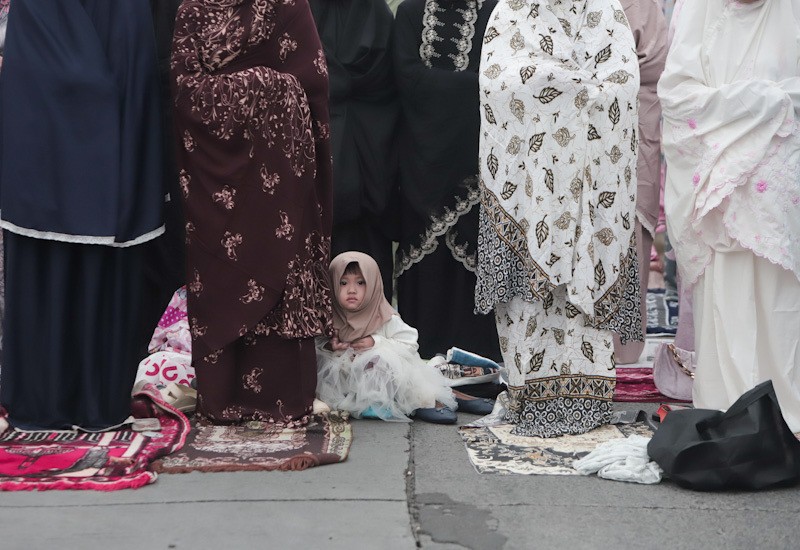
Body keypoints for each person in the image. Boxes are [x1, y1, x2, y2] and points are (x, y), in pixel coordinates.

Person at [475, 0, 642, 437]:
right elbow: (496, 81)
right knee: (530, 301)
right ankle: (529, 396)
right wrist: (566, 83)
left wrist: (561, 87)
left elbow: (624, 83)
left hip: (592, 187)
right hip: (530, 186)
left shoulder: (607, 12)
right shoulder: (510, 11)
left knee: (581, 304)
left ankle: (587, 404)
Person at [0, 0, 166, 429]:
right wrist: (91, 95)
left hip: (114, 163)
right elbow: (33, 66)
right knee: (46, 272)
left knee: (104, 276)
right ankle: (42, 403)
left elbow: (140, 72)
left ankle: (99, 402)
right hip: (46, 157)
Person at [171, 0, 334, 425]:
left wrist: (262, 87)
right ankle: (221, 399)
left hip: (279, 168)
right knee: (221, 274)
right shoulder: (193, 9)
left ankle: (282, 401)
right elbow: (182, 87)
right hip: (213, 173)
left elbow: (312, 82)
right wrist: (256, 84)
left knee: (279, 264)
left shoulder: (286, 5)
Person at [659, 0, 800, 432]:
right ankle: (730, 413)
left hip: (779, 186)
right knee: (727, 300)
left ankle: (787, 419)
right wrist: (757, 102)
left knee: (781, 304)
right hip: (716, 190)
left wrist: (768, 108)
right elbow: (678, 100)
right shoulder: (697, 10)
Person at [393, 0, 501, 361]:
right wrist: (475, 85)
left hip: (480, 162)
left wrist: (451, 84)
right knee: (428, 268)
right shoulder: (411, 12)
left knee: (474, 266)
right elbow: (406, 77)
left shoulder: (497, 11)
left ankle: (479, 374)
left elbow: (503, 79)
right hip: (421, 162)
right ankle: (423, 373)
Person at [309, 0, 398, 298]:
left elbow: (392, 87)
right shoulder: (303, 14)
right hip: (323, 152)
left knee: (367, 256)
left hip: (368, 156)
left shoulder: (377, 14)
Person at [316, 251, 457, 423]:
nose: (351, 290)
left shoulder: (384, 317)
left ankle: (379, 402)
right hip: (347, 380)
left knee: (380, 358)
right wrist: (330, 346)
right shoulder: (330, 317)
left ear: (373, 285)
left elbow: (410, 343)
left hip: (385, 383)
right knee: (324, 363)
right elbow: (317, 343)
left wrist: (376, 342)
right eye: (343, 283)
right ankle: (352, 401)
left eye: (361, 283)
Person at [614, 0, 668, 363]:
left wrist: (604, 71)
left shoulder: (642, 3)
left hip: (631, 129)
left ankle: (623, 349)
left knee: (629, 235)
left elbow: (660, 62)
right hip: (571, 140)